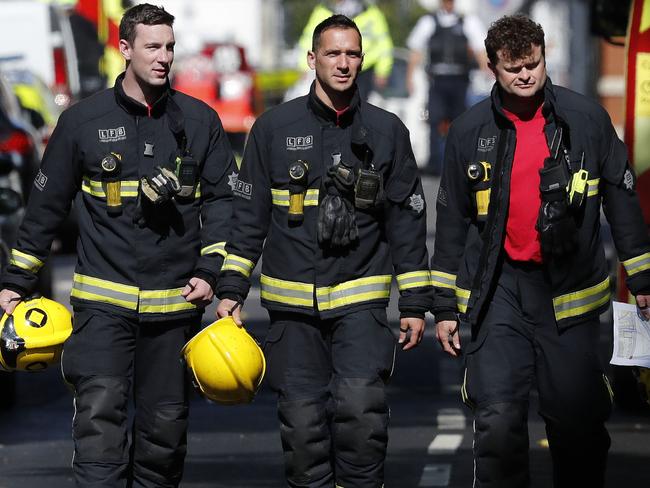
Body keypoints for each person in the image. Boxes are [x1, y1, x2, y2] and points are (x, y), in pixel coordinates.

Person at [0, 4, 235, 487]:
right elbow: (43, 208)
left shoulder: (199, 121)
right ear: (125, 49)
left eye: (170, 46)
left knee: (164, 440)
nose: (164, 57)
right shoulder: (82, 122)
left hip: (174, 312)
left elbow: (226, 206)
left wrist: (213, 274)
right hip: (102, 311)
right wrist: (15, 283)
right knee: (99, 431)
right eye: (153, 46)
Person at [431, 14, 650, 488]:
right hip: (499, 291)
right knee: (498, 422)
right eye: (514, 68)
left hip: (567, 293)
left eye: (533, 64)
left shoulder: (585, 119)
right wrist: (443, 306)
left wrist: (643, 277)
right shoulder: (469, 132)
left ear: (543, 57)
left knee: (577, 425)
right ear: (492, 68)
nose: (526, 75)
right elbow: (450, 223)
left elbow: (622, 198)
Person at [216, 14, 432, 488]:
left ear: (362, 59)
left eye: (352, 54)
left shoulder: (387, 131)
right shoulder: (272, 129)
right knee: (303, 425)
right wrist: (231, 289)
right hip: (292, 309)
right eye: (332, 54)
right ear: (312, 59)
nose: (343, 63)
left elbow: (407, 222)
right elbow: (248, 218)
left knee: (360, 413)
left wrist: (415, 302)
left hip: (361, 300)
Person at [406, 0, 486, 176]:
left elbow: (481, 49)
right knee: (434, 120)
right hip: (438, 80)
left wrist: (487, 72)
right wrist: (409, 77)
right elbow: (416, 49)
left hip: (460, 79)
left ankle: (459, 163)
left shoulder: (467, 22)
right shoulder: (429, 21)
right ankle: (435, 164)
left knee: (459, 122)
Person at [297, 1, 394, 100]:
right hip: (331, 67)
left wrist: (382, 71)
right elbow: (308, 40)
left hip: (364, 71)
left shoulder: (372, 14)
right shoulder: (322, 12)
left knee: (359, 107)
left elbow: (384, 45)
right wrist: (304, 66)